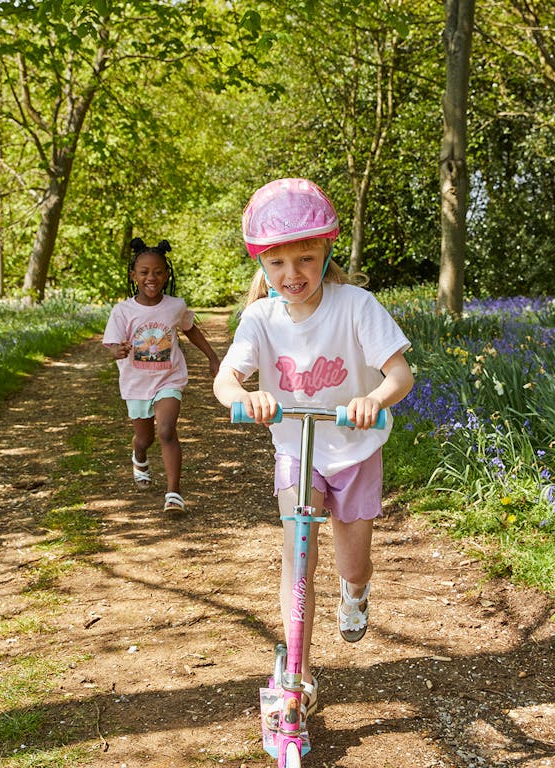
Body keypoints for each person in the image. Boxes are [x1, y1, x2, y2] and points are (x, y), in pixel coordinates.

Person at [213, 178, 414, 721]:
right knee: (297, 550)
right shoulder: (260, 318)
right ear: (261, 264)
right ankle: (297, 670)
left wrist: (373, 397)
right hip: (297, 448)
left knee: (352, 559)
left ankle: (357, 590)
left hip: (353, 448)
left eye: (305, 258)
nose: (291, 274)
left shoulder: (356, 306)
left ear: (327, 253)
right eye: (276, 263)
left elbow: (400, 373)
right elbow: (226, 380)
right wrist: (246, 397)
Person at [104, 237, 220, 512]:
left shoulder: (175, 306)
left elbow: (190, 329)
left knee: (167, 430)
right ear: (133, 276)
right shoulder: (122, 310)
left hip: (169, 379)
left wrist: (212, 356)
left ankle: (173, 493)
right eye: (144, 272)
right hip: (136, 383)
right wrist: (116, 350)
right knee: (145, 438)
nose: (151, 278)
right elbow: (111, 343)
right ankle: (139, 455)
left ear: (167, 274)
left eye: (157, 271)